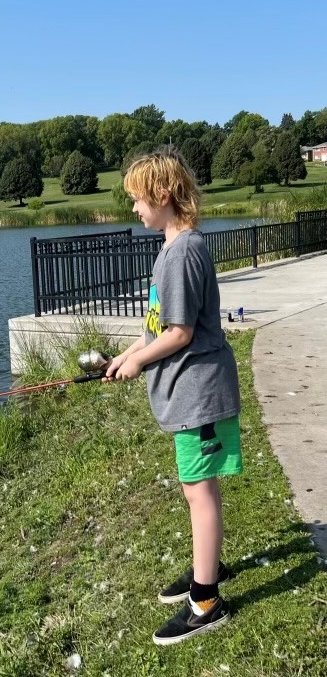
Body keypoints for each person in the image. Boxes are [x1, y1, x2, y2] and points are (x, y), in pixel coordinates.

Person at [103, 147, 243, 646]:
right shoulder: (173, 246)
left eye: (137, 200)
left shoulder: (183, 251)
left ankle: (206, 602)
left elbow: (181, 332)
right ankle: (210, 566)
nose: (133, 209)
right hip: (189, 394)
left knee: (199, 492)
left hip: (199, 393)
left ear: (163, 194)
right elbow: (157, 327)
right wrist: (126, 354)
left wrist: (141, 360)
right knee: (196, 489)